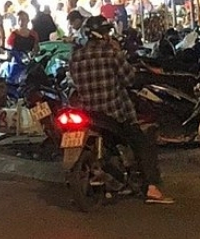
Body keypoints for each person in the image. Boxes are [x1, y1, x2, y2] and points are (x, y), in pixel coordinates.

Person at [69, 17, 172, 205]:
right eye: (107, 33)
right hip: (112, 113)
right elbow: (129, 79)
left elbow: (74, 82)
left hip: (88, 113)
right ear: (102, 34)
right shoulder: (110, 54)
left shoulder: (76, 56)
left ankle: (119, 178)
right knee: (142, 142)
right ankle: (152, 188)